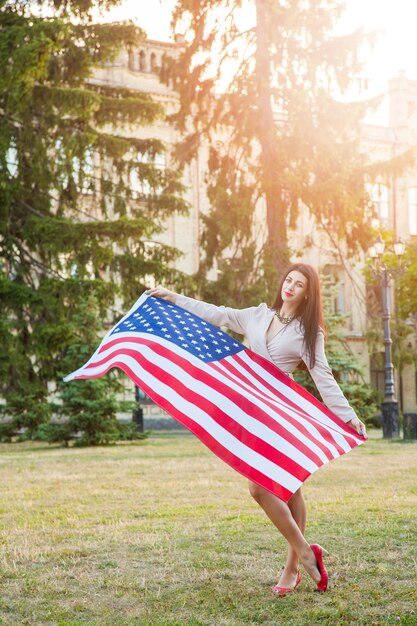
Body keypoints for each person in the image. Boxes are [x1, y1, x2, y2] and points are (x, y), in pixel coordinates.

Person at [146, 263, 367, 596]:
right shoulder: (257, 315)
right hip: (251, 411)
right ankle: (299, 562)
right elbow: (216, 313)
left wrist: (347, 416)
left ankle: (301, 558)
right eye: (288, 279)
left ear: (308, 292)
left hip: (281, 412)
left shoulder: (309, 332)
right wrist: (174, 298)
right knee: (289, 490)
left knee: (261, 489)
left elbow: (323, 375)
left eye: (299, 284)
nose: (290, 286)